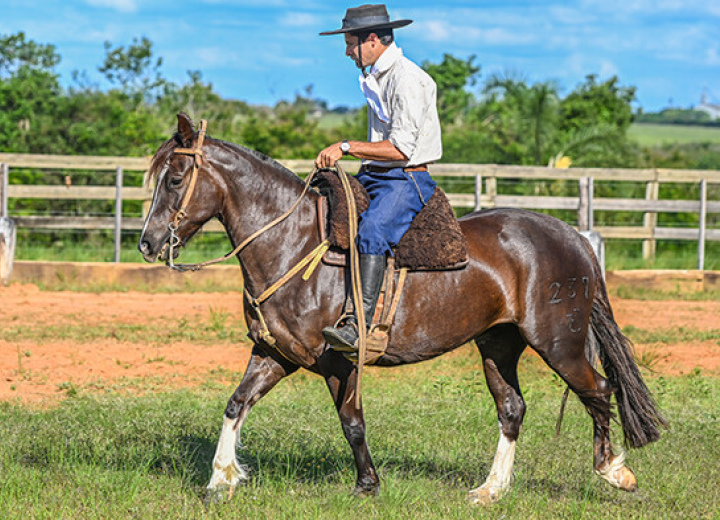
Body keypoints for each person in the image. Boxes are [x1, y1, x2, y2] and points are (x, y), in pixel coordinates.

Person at [316, 4, 442, 354]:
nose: (346, 51)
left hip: (405, 179)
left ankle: (360, 326)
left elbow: (402, 150)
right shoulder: (376, 75)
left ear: (372, 39)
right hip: (376, 175)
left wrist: (346, 146)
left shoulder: (408, 80)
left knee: (371, 232)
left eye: (349, 43)